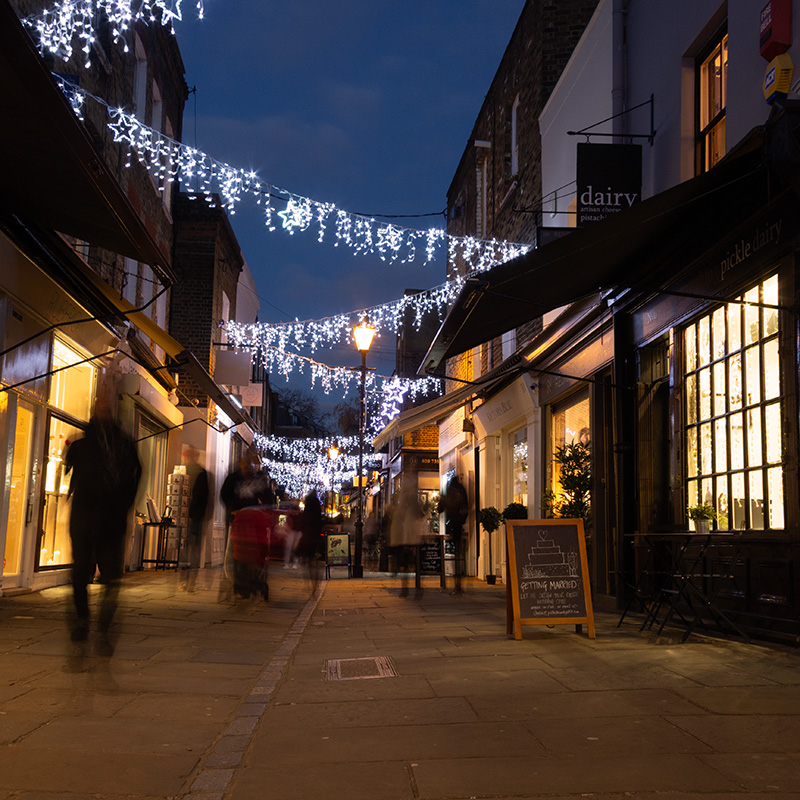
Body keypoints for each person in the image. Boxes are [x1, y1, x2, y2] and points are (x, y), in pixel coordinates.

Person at [64, 396, 141, 656]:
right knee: (80, 575)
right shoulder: (82, 445)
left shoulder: (123, 445)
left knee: (110, 580)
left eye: (107, 408)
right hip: (85, 519)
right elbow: (70, 472)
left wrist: (125, 505)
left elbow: (136, 473)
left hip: (110, 521)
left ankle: (103, 629)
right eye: (101, 408)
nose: (104, 411)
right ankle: (83, 621)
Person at [390, 485, 427, 598]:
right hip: (412, 540)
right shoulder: (413, 509)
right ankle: (415, 588)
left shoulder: (403, 510)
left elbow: (397, 525)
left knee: (406, 565)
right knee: (414, 565)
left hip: (406, 540)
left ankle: (406, 589)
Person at [181, 447, 209, 592]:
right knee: (192, 549)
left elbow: (202, 497)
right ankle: (190, 580)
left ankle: (187, 580)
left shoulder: (191, 472)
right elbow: (205, 497)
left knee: (187, 549)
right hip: (194, 516)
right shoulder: (199, 473)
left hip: (191, 516)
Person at [442, 475, 468, 594]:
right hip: (459, 525)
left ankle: (457, 584)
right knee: (460, 554)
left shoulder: (449, 491)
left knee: (456, 554)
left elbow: (440, 508)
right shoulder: (461, 490)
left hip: (452, 524)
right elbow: (466, 508)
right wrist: (462, 521)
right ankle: (459, 583)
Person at [296, 491, 324, 592]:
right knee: (314, 561)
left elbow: (300, 526)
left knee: (306, 561)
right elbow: (320, 525)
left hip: (306, 539)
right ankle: (315, 580)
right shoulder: (317, 513)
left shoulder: (306, 514)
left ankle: (308, 582)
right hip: (315, 539)